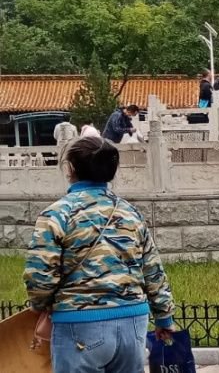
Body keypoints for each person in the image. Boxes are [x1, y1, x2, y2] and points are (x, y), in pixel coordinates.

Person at [24, 134, 176, 373]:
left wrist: (40, 305)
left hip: (78, 324)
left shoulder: (56, 215)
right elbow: (153, 270)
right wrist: (164, 317)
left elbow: (40, 277)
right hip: (133, 322)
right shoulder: (131, 213)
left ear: (70, 168)